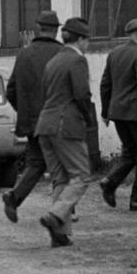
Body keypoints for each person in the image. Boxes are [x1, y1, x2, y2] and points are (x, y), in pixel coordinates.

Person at [33, 17, 95, 247]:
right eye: (87, 40)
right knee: (81, 176)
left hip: (45, 124)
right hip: (65, 124)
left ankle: (59, 234)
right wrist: (87, 118)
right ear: (80, 40)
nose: (88, 45)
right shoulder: (77, 60)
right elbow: (81, 94)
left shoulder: (53, 61)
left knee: (61, 178)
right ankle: (56, 214)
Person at [2, 10, 64, 223]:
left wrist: (26, 111)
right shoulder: (63, 54)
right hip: (58, 120)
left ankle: (14, 196)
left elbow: (10, 91)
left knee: (37, 163)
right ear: (56, 30)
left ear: (38, 28)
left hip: (31, 122)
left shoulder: (24, 54)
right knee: (62, 163)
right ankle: (63, 210)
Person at [98, 18, 137, 211]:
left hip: (118, 113)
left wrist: (106, 111)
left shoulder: (114, 53)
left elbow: (105, 84)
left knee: (130, 153)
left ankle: (110, 182)